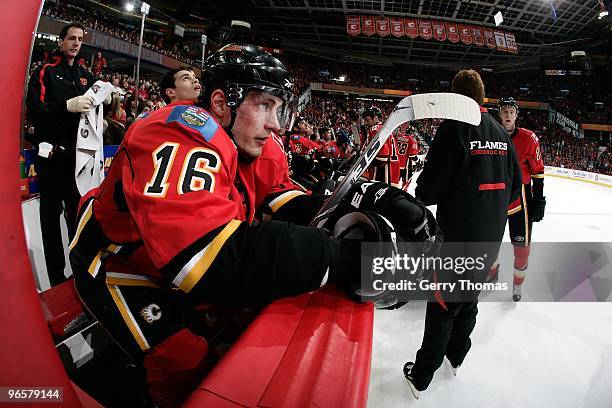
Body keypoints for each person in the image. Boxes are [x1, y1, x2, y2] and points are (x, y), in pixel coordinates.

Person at [70, 43, 434, 406]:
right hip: (116, 261)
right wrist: (342, 257)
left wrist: (363, 199)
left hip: (165, 257)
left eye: (277, 108)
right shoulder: (176, 132)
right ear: (220, 102)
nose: (275, 123)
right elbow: (205, 259)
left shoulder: (249, 139)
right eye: (265, 105)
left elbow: (282, 200)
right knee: (181, 357)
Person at [402, 70, 522, 398]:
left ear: (455, 97)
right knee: (469, 302)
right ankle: (456, 356)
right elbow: (515, 193)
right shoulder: (501, 134)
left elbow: (427, 191)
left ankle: (422, 375)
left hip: (457, 239)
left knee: (442, 307)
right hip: (490, 241)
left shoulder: (453, 130)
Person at [26, 22, 96, 286]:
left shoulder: (86, 77)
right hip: (52, 158)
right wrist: (66, 106)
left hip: (77, 160)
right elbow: (35, 111)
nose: (76, 43)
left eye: (80, 39)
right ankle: (56, 278)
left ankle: (79, 274)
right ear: (61, 41)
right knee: (50, 219)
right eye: (71, 39)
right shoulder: (45, 72)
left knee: (77, 218)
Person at [496, 97, 546, 302]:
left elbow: (538, 171)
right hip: (494, 198)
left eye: (511, 111)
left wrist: (538, 199)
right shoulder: (489, 134)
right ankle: (491, 272)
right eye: (504, 111)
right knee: (489, 243)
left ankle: (517, 285)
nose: (508, 115)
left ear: (516, 115)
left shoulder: (529, 138)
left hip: (520, 201)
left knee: (521, 247)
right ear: (499, 114)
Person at [362, 106, 401, 187]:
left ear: (376, 118)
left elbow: (382, 157)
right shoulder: (383, 128)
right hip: (392, 168)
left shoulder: (375, 129)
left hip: (383, 170)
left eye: (367, 120)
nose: (365, 123)